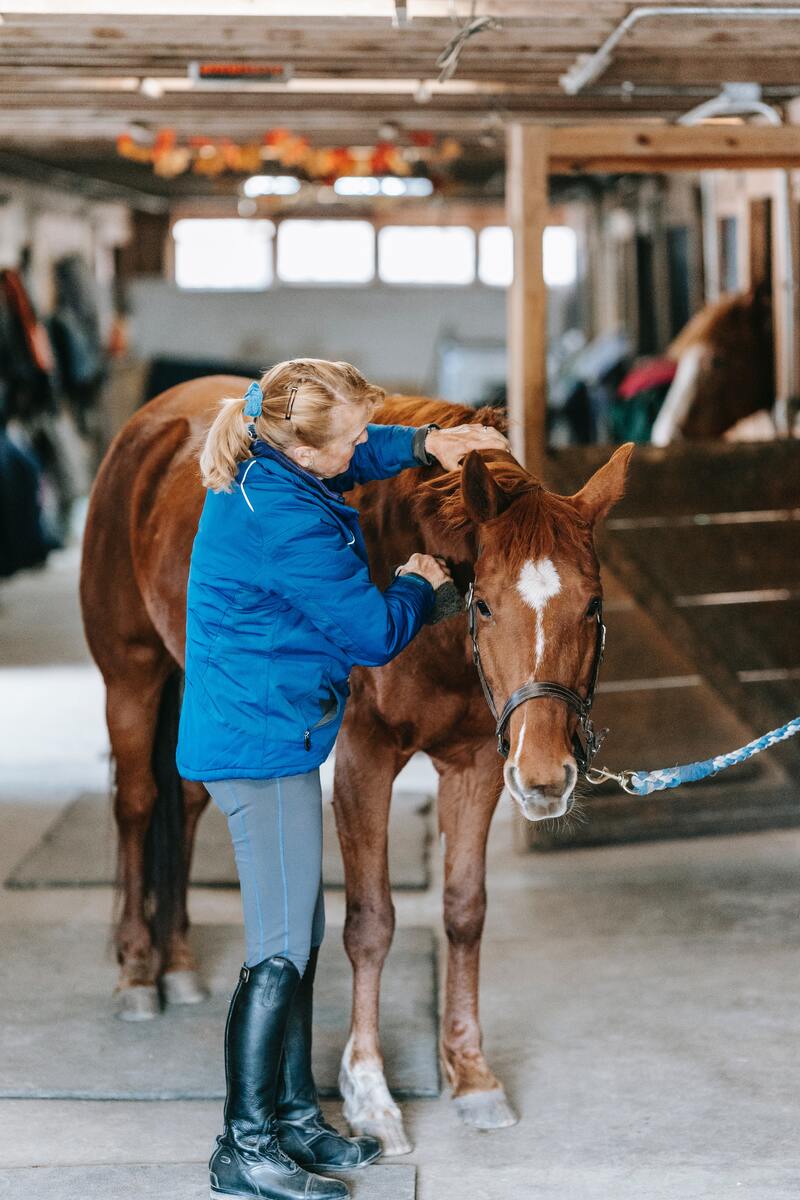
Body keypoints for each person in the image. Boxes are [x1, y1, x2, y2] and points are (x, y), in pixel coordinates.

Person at [176, 358, 508, 1200]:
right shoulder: (284, 520)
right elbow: (369, 633)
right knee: (279, 950)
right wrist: (418, 583)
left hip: (272, 727)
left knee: (301, 935)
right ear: (307, 446)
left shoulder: (273, 453)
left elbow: (353, 453)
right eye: (354, 434)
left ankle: (289, 1118)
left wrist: (424, 440)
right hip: (259, 744)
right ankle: (244, 1147)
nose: (364, 445)